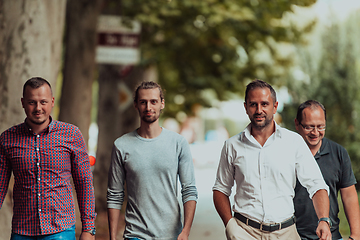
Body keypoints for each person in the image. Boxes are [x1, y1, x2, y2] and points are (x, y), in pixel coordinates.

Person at [212, 79, 332, 240]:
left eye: (264, 104)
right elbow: (220, 189)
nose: (259, 110)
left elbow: (317, 185)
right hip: (244, 232)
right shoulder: (232, 146)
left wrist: (323, 219)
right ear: (246, 107)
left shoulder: (294, 142)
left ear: (275, 106)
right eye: (253, 104)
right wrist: (230, 226)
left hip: (285, 232)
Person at [0, 77, 96, 240]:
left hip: (60, 230)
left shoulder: (71, 134)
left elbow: (84, 183)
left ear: (52, 101)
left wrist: (88, 229)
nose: (38, 108)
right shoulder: (7, 139)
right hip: (22, 231)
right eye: (32, 102)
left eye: (43, 102)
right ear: (23, 103)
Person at [107, 81, 198, 240]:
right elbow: (115, 195)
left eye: (153, 102)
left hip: (171, 235)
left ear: (162, 104)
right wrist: (113, 237)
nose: (148, 107)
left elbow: (189, 190)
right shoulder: (121, 145)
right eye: (143, 102)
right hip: (135, 234)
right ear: (136, 105)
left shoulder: (178, 143)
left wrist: (186, 231)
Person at [294, 100, 360, 240]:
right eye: (309, 127)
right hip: (293, 235)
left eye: (321, 126)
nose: (315, 132)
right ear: (297, 124)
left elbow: (349, 196)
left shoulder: (339, 152)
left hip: (330, 236)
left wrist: (355, 235)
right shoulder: (286, 154)